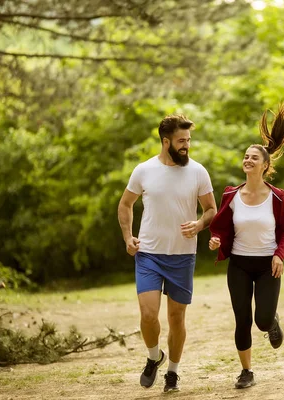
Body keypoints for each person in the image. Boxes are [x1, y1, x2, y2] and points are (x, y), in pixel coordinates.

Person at [208, 98, 284, 389]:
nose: (248, 160)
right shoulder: (231, 195)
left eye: (254, 158)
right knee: (242, 319)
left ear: (265, 166)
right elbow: (225, 230)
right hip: (239, 264)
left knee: (262, 321)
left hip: (268, 265)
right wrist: (217, 241)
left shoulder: (277, 197)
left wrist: (279, 255)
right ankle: (246, 371)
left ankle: (272, 321)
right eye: (246, 156)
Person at [117, 114, 216, 393]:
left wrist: (198, 224)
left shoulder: (198, 171)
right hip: (148, 253)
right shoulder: (144, 170)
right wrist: (128, 237)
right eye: (181, 141)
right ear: (165, 141)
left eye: (188, 140)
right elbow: (125, 205)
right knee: (148, 315)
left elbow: (211, 209)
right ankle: (153, 357)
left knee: (176, 318)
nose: (186, 146)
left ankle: (172, 372)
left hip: (183, 255)